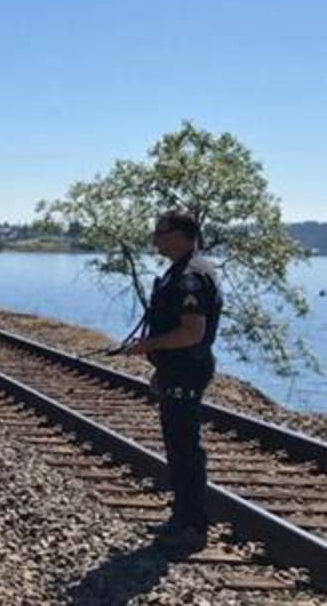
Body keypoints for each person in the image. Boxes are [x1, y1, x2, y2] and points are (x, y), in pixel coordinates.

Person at [122, 209, 222, 553]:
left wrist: (149, 346)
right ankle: (182, 517)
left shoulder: (190, 277)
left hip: (186, 369)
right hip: (179, 369)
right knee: (179, 446)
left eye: (160, 232)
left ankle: (192, 525)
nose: (155, 238)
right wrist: (159, 367)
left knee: (184, 449)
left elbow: (192, 332)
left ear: (181, 234)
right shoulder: (186, 270)